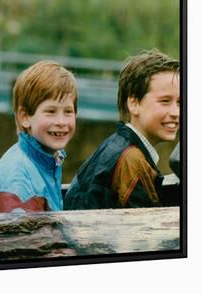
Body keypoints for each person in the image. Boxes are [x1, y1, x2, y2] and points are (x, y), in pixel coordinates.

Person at [64, 49, 179, 210]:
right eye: (165, 101)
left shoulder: (118, 144)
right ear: (134, 104)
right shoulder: (130, 159)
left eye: (180, 102)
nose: (176, 112)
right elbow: (147, 229)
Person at [0, 61, 77, 213]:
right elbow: (21, 236)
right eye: (51, 111)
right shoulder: (18, 182)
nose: (61, 122)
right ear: (25, 117)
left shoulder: (47, 160)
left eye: (68, 111)